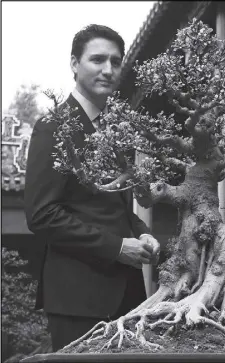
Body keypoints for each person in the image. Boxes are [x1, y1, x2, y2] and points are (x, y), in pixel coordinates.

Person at [24, 24, 160, 352]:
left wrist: (141, 232)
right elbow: (42, 215)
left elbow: (115, 208)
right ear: (74, 63)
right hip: (78, 298)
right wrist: (116, 247)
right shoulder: (52, 127)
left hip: (129, 295)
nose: (108, 69)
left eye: (116, 61)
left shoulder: (115, 131)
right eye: (97, 59)